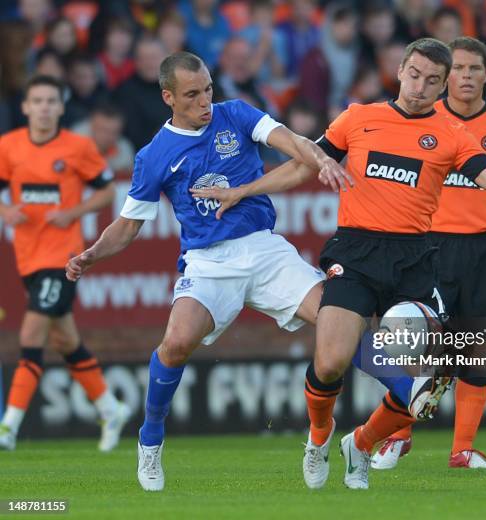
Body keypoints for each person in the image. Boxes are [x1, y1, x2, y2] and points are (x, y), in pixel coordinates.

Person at [196, 38, 486, 491]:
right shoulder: (358, 118)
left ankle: (360, 444)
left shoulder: (452, 135)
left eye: (432, 81)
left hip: (415, 262)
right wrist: (242, 191)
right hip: (356, 253)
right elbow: (303, 167)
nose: (421, 87)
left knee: (424, 377)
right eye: (415, 74)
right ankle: (319, 439)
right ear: (400, 70)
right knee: (331, 362)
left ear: (443, 87)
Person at [65, 50, 376, 493]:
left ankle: (319, 438)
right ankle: (150, 439)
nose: (205, 101)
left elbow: (288, 139)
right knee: (175, 344)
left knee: (339, 326)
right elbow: (129, 225)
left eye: (208, 88)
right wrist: (92, 253)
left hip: (265, 250)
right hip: (209, 262)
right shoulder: (154, 155)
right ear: (169, 97)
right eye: (192, 94)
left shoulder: (236, 114)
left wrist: (320, 158)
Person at [369, 36, 486, 471]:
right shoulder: (426, 120)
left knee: (477, 349)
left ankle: (462, 450)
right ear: (446, 78)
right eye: (459, 69)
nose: (465, 76)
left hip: (483, 247)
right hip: (428, 244)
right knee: (413, 344)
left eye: (474, 69)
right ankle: (398, 436)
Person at [0, 75, 129, 452]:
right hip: (28, 257)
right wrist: (6, 210)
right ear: (25, 107)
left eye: (50, 101)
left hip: (64, 258)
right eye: (36, 100)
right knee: (64, 339)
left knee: (31, 335)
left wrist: (73, 211)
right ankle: (110, 408)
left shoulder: (77, 147)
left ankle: (9, 426)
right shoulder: (9, 146)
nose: (43, 107)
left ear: (60, 107)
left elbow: (106, 189)